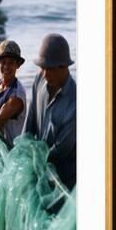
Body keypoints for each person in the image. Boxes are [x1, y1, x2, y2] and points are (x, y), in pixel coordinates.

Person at [23, 33, 76, 191]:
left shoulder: (75, 103)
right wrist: (24, 150)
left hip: (62, 178)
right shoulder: (39, 79)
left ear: (64, 67)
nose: (45, 74)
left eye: (50, 69)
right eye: (42, 68)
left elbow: (61, 150)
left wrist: (37, 161)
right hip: (37, 166)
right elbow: (30, 120)